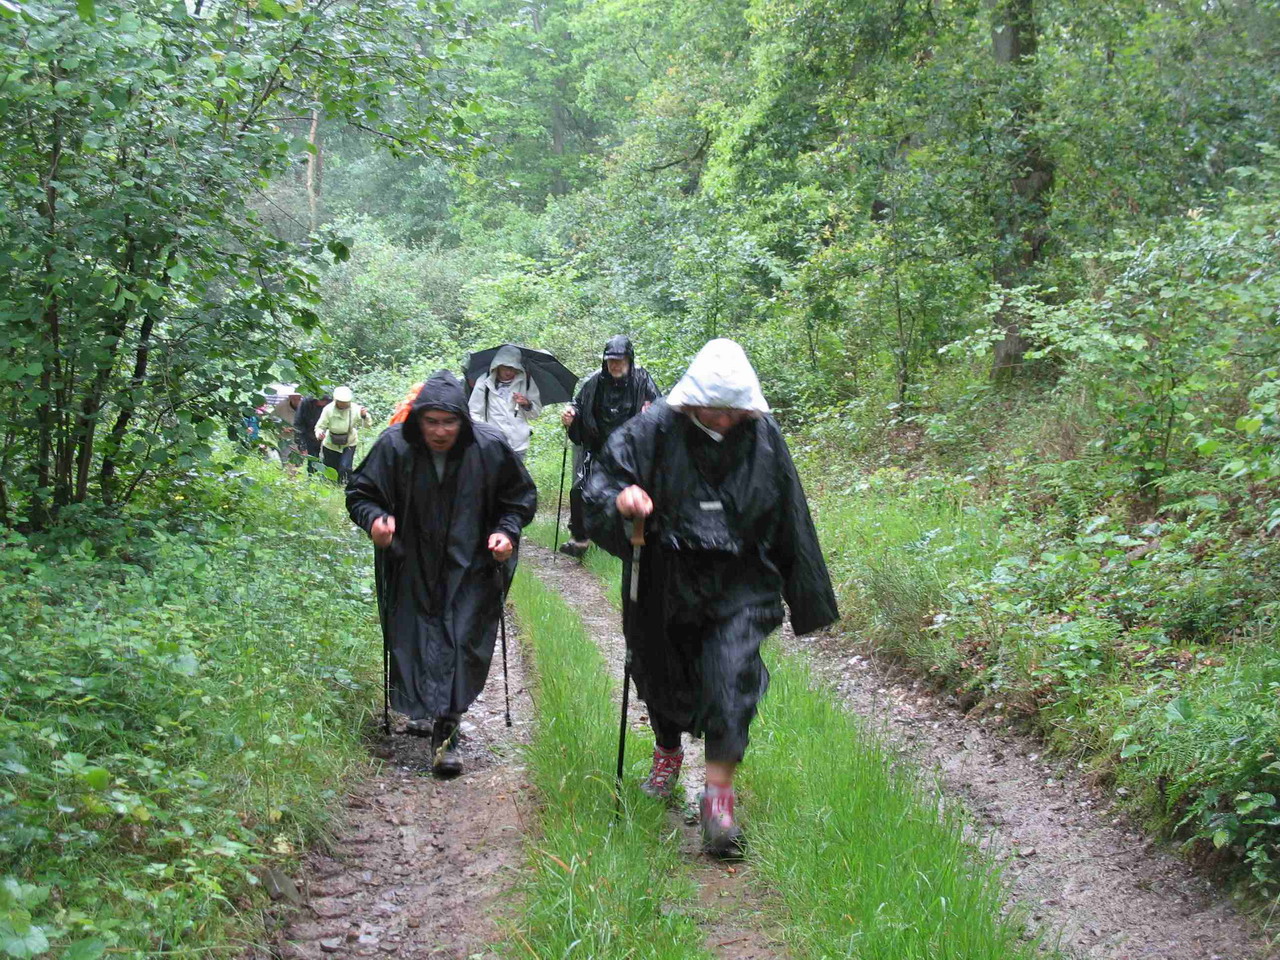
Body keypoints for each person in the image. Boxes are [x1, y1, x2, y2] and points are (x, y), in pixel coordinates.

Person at [583, 338, 838, 856]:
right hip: (665, 579)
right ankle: (667, 752)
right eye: (714, 410)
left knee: (732, 678)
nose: (723, 421)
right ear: (692, 399)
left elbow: (792, 513)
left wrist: (808, 600)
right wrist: (622, 501)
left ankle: (718, 802)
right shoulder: (653, 429)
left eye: (734, 411)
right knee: (659, 676)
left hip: (742, 581)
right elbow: (598, 486)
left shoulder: (763, 434)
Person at [347, 371, 537, 776]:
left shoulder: (488, 448)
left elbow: (519, 499)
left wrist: (506, 531)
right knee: (412, 638)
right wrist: (375, 520)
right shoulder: (393, 446)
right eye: (430, 421)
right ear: (418, 419)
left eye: (448, 422)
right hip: (408, 561)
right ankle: (423, 708)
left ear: (463, 421)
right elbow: (361, 493)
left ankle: (446, 732)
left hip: (471, 565)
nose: (439, 431)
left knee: (461, 640)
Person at [559, 335, 659, 558]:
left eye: (620, 360)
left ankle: (625, 540)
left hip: (629, 450)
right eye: (611, 360)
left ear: (629, 360)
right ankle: (580, 538)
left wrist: (649, 412)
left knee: (630, 493)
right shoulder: (595, 381)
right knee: (580, 490)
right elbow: (577, 403)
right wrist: (570, 414)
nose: (615, 365)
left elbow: (658, 408)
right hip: (598, 447)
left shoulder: (643, 380)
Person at [468, 345, 542, 461]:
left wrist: (526, 404)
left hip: (518, 444)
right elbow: (474, 412)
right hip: (493, 444)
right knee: (494, 478)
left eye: (512, 368)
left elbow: (535, 413)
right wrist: (486, 434)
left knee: (516, 479)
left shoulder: (525, 381)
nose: (508, 372)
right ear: (498, 366)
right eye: (505, 367)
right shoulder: (484, 382)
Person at [315, 386, 372, 483]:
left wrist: (364, 416)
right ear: (336, 400)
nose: (344, 404)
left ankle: (345, 486)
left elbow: (367, 425)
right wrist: (319, 433)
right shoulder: (328, 409)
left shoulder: (355, 409)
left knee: (345, 467)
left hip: (349, 442)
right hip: (330, 444)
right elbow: (320, 426)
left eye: (346, 402)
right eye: (341, 402)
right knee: (331, 469)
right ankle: (332, 487)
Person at [295, 391, 330, 473]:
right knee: (312, 460)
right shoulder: (305, 403)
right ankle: (312, 476)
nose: (321, 404)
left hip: (328, 435)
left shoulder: (331, 404)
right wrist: (301, 444)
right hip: (309, 434)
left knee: (329, 460)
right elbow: (298, 424)